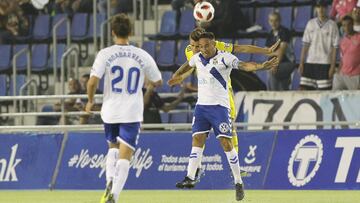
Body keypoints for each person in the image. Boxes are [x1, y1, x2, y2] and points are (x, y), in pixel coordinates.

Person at [174, 32, 279, 201]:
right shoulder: (197, 57)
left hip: (219, 108)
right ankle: (190, 176)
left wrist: (260, 66)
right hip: (201, 108)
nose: (204, 49)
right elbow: (188, 64)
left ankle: (238, 182)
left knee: (226, 143)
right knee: (197, 139)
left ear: (214, 44)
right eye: (201, 46)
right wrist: (176, 75)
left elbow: (245, 65)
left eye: (207, 45)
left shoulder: (225, 58)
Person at [85, 14, 162, 203]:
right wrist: (147, 82)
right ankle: (115, 197)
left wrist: (90, 100)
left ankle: (109, 182)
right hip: (132, 111)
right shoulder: (142, 54)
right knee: (125, 156)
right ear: (131, 32)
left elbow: (92, 81)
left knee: (112, 148)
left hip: (110, 110)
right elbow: (158, 80)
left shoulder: (105, 53)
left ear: (112, 32)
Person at [299, 0, 340, 90]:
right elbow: (305, 44)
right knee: (303, 91)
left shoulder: (333, 25)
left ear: (327, 8)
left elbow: (335, 48)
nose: (320, 9)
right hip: (310, 62)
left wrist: (332, 66)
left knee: (324, 92)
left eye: (323, 7)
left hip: (325, 63)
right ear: (315, 8)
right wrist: (301, 63)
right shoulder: (310, 23)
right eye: (318, 7)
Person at [266, 12, 295, 91]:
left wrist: (273, 53)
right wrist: (276, 52)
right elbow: (265, 52)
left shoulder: (284, 31)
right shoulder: (270, 34)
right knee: (282, 85)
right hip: (276, 63)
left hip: (288, 63)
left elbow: (281, 52)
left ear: (280, 21)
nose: (273, 23)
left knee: (271, 70)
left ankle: (273, 95)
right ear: (269, 22)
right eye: (271, 21)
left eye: (276, 21)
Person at [333, 16, 360, 90]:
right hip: (342, 75)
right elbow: (342, 58)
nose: (347, 27)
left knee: (355, 99)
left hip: (356, 75)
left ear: (353, 24)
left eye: (349, 24)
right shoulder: (342, 41)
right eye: (344, 25)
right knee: (335, 95)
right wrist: (338, 71)